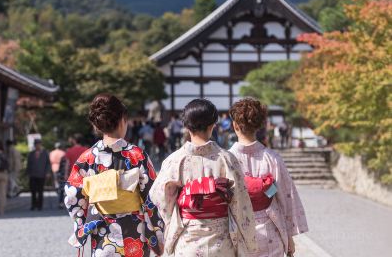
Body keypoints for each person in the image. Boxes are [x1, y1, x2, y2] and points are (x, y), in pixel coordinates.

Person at [150, 99, 257, 256]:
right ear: (213, 125)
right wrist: (250, 243)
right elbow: (241, 204)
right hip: (222, 244)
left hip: (187, 242)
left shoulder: (174, 160)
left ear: (186, 126)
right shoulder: (227, 159)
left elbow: (160, 200)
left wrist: (173, 219)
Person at [65, 94, 164, 256]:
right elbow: (153, 197)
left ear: (97, 125)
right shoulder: (137, 155)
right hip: (134, 232)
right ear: (122, 121)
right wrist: (158, 233)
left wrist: (83, 224)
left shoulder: (86, 158)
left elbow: (72, 198)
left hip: (102, 233)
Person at [229, 98, 308, 257]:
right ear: (259, 126)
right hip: (270, 230)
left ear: (235, 126)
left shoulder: (225, 160)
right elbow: (286, 196)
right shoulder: (272, 158)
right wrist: (289, 237)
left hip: (237, 231)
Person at [27, 139, 51, 211]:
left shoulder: (45, 153)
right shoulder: (31, 153)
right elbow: (29, 164)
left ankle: (40, 206)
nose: (37, 145)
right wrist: (28, 173)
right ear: (34, 145)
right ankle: (33, 205)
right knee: (33, 191)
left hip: (41, 174)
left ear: (40, 145)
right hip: (33, 175)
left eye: (39, 144)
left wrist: (48, 172)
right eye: (36, 144)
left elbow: (48, 164)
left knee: (40, 191)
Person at [49, 142, 68, 209]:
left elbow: (50, 161)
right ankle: (60, 195)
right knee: (61, 184)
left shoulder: (52, 153)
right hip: (61, 169)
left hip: (53, 167)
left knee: (56, 181)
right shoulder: (63, 153)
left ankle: (57, 189)